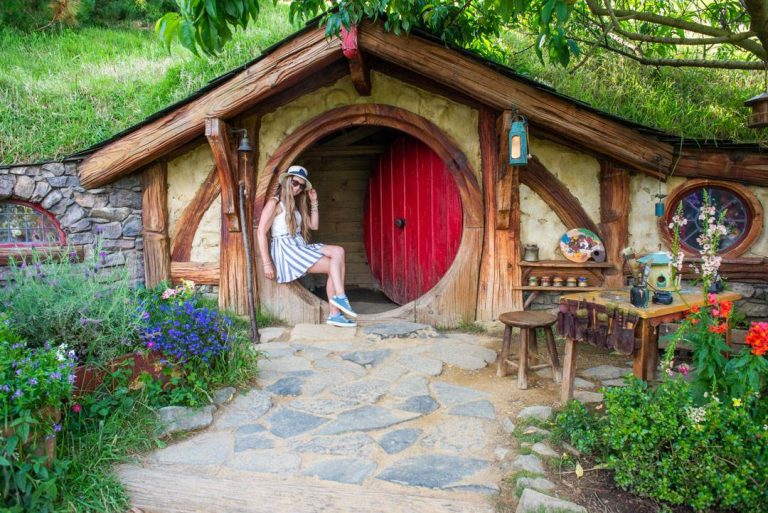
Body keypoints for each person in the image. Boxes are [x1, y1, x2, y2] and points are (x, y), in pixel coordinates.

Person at [257, 165, 358, 327]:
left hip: (298, 246)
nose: (298, 188)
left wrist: (314, 202)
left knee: (339, 252)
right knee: (334, 265)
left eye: (302, 186)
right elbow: (261, 232)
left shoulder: (294, 205)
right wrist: (267, 263)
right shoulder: (274, 204)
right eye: (295, 183)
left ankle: (338, 303)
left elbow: (314, 225)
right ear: (287, 182)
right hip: (287, 251)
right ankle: (336, 309)